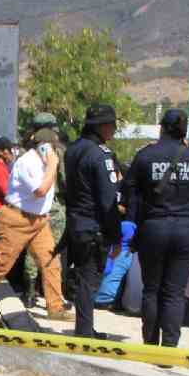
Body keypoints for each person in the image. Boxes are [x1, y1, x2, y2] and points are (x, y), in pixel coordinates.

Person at [123, 108, 189, 347]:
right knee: (175, 292)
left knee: (152, 289)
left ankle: (151, 344)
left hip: (153, 227)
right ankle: (170, 349)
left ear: (161, 128)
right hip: (185, 228)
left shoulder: (145, 156)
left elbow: (129, 189)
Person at [0, 123, 73, 323]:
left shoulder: (46, 164)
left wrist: (44, 213)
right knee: (1, 265)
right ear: (44, 147)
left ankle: (55, 307)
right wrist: (52, 164)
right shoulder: (27, 163)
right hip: (16, 220)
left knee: (51, 263)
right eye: (52, 147)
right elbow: (40, 191)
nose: (55, 151)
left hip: (39, 221)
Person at [64, 103, 123, 339]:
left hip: (76, 223)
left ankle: (84, 327)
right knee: (89, 280)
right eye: (113, 125)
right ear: (102, 127)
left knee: (82, 277)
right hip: (93, 227)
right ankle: (85, 332)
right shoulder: (100, 155)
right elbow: (108, 200)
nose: (114, 131)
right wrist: (117, 235)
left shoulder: (73, 150)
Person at [22, 112, 69, 308]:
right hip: (54, 206)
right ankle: (53, 300)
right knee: (51, 252)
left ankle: (29, 292)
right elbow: (65, 180)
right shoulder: (57, 150)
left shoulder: (27, 151)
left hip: (31, 205)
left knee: (32, 250)